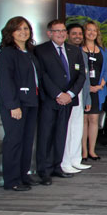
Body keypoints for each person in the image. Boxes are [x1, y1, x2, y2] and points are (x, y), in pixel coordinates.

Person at [35, 20, 86, 184]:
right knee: (46, 136)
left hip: (68, 100)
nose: (61, 34)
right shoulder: (40, 50)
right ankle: (44, 171)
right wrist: (58, 94)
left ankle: (57, 167)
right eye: (57, 31)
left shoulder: (73, 50)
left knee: (60, 135)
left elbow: (81, 76)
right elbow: (42, 76)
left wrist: (70, 94)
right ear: (49, 33)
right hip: (50, 100)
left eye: (63, 31)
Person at [0, 16, 42, 191]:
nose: (24, 32)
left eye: (26, 28)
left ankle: (23, 175)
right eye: (19, 29)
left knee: (27, 141)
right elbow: (6, 82)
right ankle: (11, 180)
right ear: (11, 32)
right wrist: (13, 105)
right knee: (14, 141)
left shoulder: (29, 52)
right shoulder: (6, 54)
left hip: (31, 102)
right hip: (16, 105)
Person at [61, 24, 91, 173]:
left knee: (77, 128)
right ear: (67, 35)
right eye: (74, 33)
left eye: (80, 34)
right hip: (67, 95)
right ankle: (65, 161)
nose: (78, 36)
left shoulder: (81, 53)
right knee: (67, 129)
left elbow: (85, 78)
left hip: (79, 94)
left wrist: (87, 99)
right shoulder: (63, 52)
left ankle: (75, 159)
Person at [79, 20, 107, 162]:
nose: (92, 33)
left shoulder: (102, 50)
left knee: (94, 119)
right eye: (89, 30)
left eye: (94, 30)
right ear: (84, 32)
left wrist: (100, 85)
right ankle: (83, 151)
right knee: (83, 120)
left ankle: (92, 150)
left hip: (98, 90)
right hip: (82, 90)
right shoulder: (79, 49)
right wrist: (87, 87)